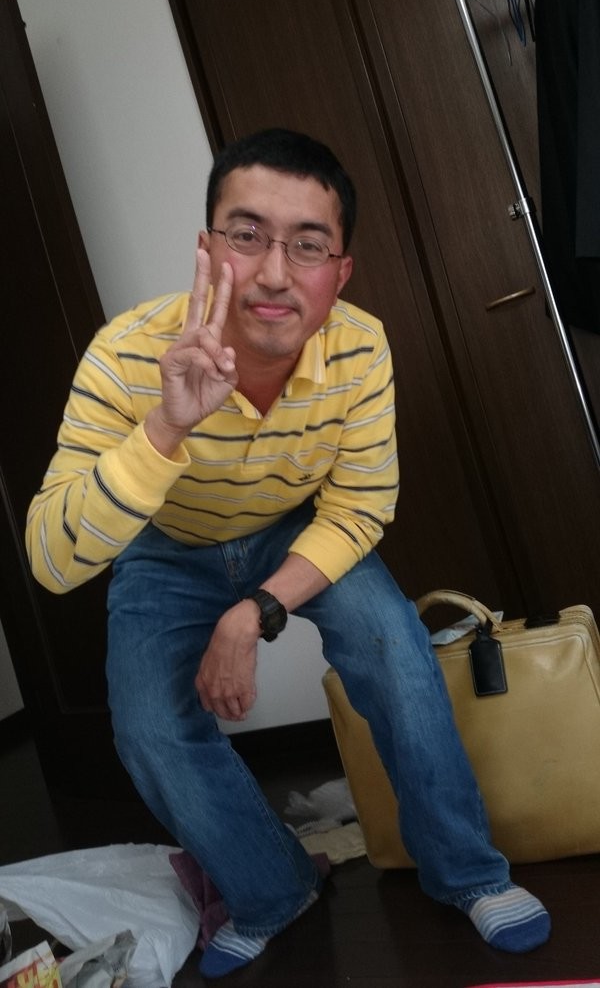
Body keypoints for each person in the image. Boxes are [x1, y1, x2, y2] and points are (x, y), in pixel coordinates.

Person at [26, 127, 550, 978]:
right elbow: (52, 563)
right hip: (168, 545)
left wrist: (253, 611)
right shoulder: (125, 355)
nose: (273, 273)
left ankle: (468, 873)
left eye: (307, 246)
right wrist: (165, 427)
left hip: (295, 527)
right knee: (150, 729)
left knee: (395, 652)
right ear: (207, 251)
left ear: (339, 273)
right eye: (247, 235)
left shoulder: (360, 346)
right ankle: (274, 890)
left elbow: (361, 505)